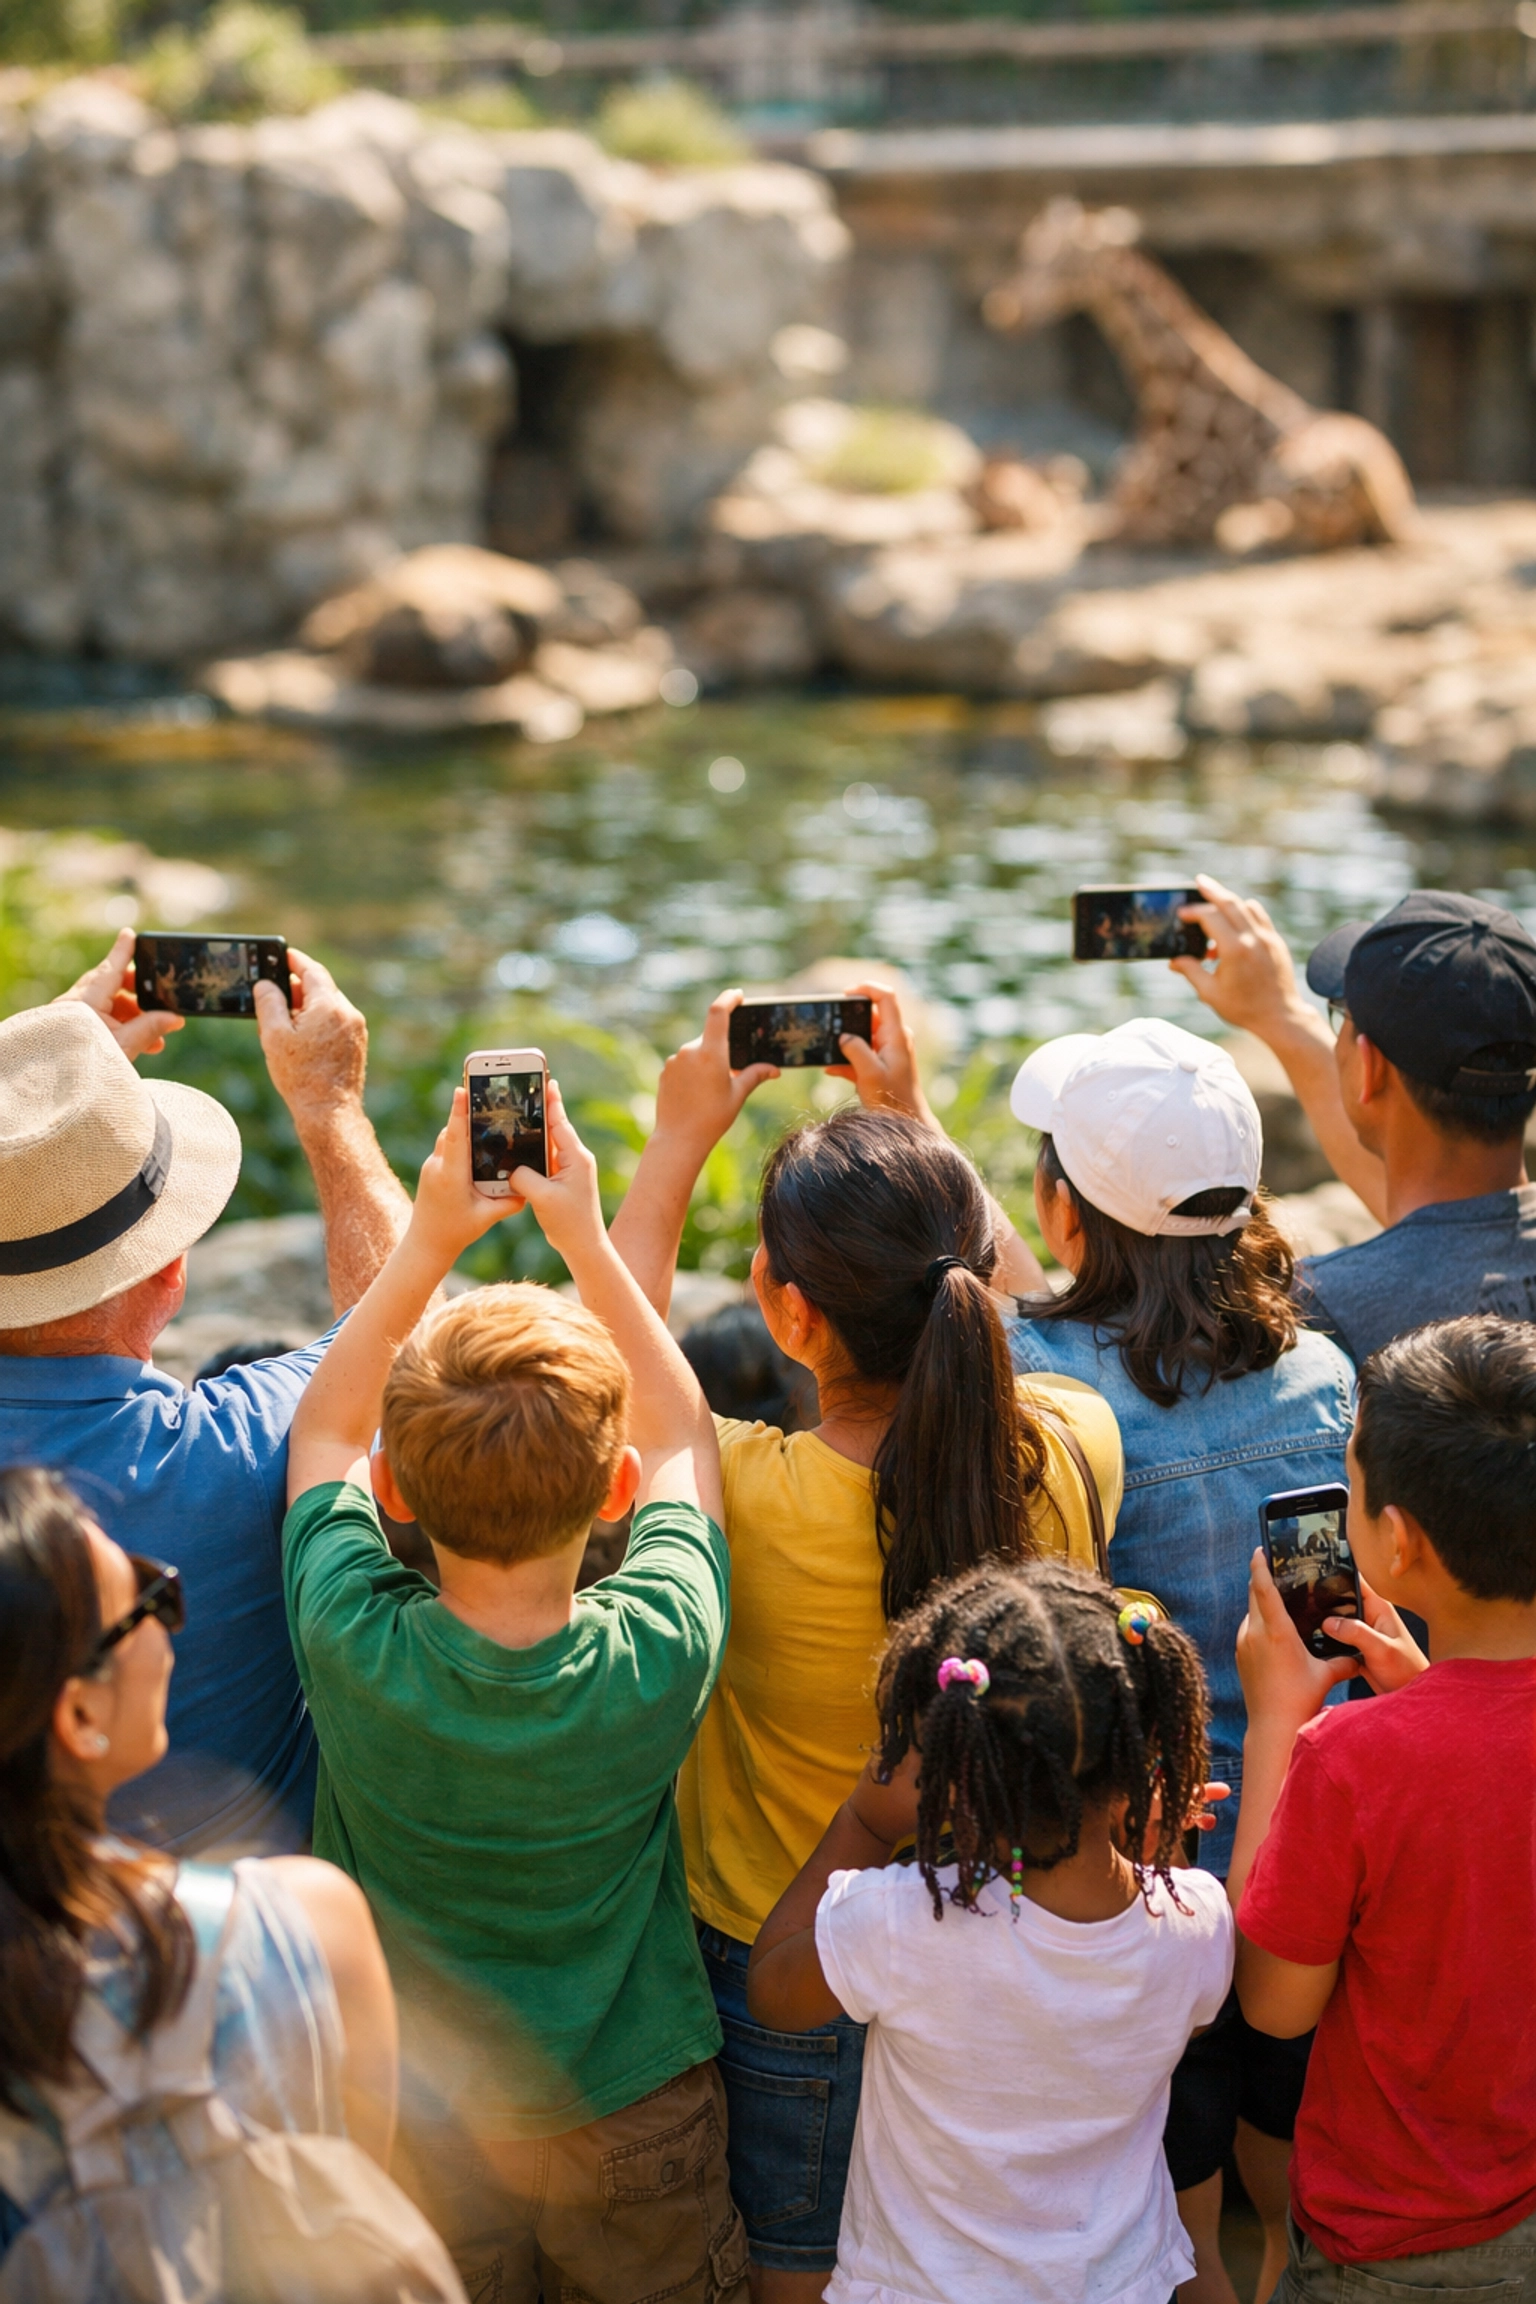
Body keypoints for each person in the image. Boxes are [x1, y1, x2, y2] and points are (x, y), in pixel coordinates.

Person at [610, 983, 1123, 2303]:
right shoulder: (1066, 1451)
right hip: (1004, 1927)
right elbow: (1006, 1317)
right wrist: (907, 1116)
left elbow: (598, 1371)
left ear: (788, 1317)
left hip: (789, 1950)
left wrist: (675, 1141)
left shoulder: (740, 1493)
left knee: (799, 2273)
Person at [281, 1081, 748, 2302]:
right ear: (615, 1494)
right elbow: (689, 1439)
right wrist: (584, 1240)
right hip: (634, 2104)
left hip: (421, 2121)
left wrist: (431, 1239)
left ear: (396, 1494)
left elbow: (321, 1435)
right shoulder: (659, 1641)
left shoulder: (350, 1636)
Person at [1006, 1015, 1355, 2304]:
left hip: (1148, 1864)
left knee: (1177, 2208)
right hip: (1311, 1852)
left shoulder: (1033, 1376)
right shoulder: (1320, 1372)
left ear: (1065, 1208)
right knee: (1285, 2168)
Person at [0, 933, 415, 1857]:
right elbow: (406, 1343)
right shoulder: (234, 1452)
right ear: (168, 1272)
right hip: (233, 1952)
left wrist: (43, 1078)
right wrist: (331, 1106)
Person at [746, 1557, 1234, 2304]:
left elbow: (775, 1990)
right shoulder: (1196, 1919)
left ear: (957, 1772)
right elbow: (1181, 2018)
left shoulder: (903, 1920)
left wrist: (864, 1822)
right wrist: (1155, 1843)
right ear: (1137, 1757)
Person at [0, 1464, 439, 2285]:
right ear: (79, 1715)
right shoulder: (303, 1931)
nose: (171, 1615)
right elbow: (352, 2220)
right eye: (147, 1598)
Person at [1231, 1314, 1536, 2302]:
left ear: (1396, 1544)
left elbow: (1275, 2004)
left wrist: (1279, 1717)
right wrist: (1423, 1695)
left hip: (1396, 2245)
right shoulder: (1396, 1742)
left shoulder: (1353, 1761)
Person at [1174, 881, 1536, 1365]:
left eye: (1342, 1015)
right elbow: (1445, 1226)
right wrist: (1279, 1017)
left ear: (1369, 1068)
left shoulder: (1323, 1311)